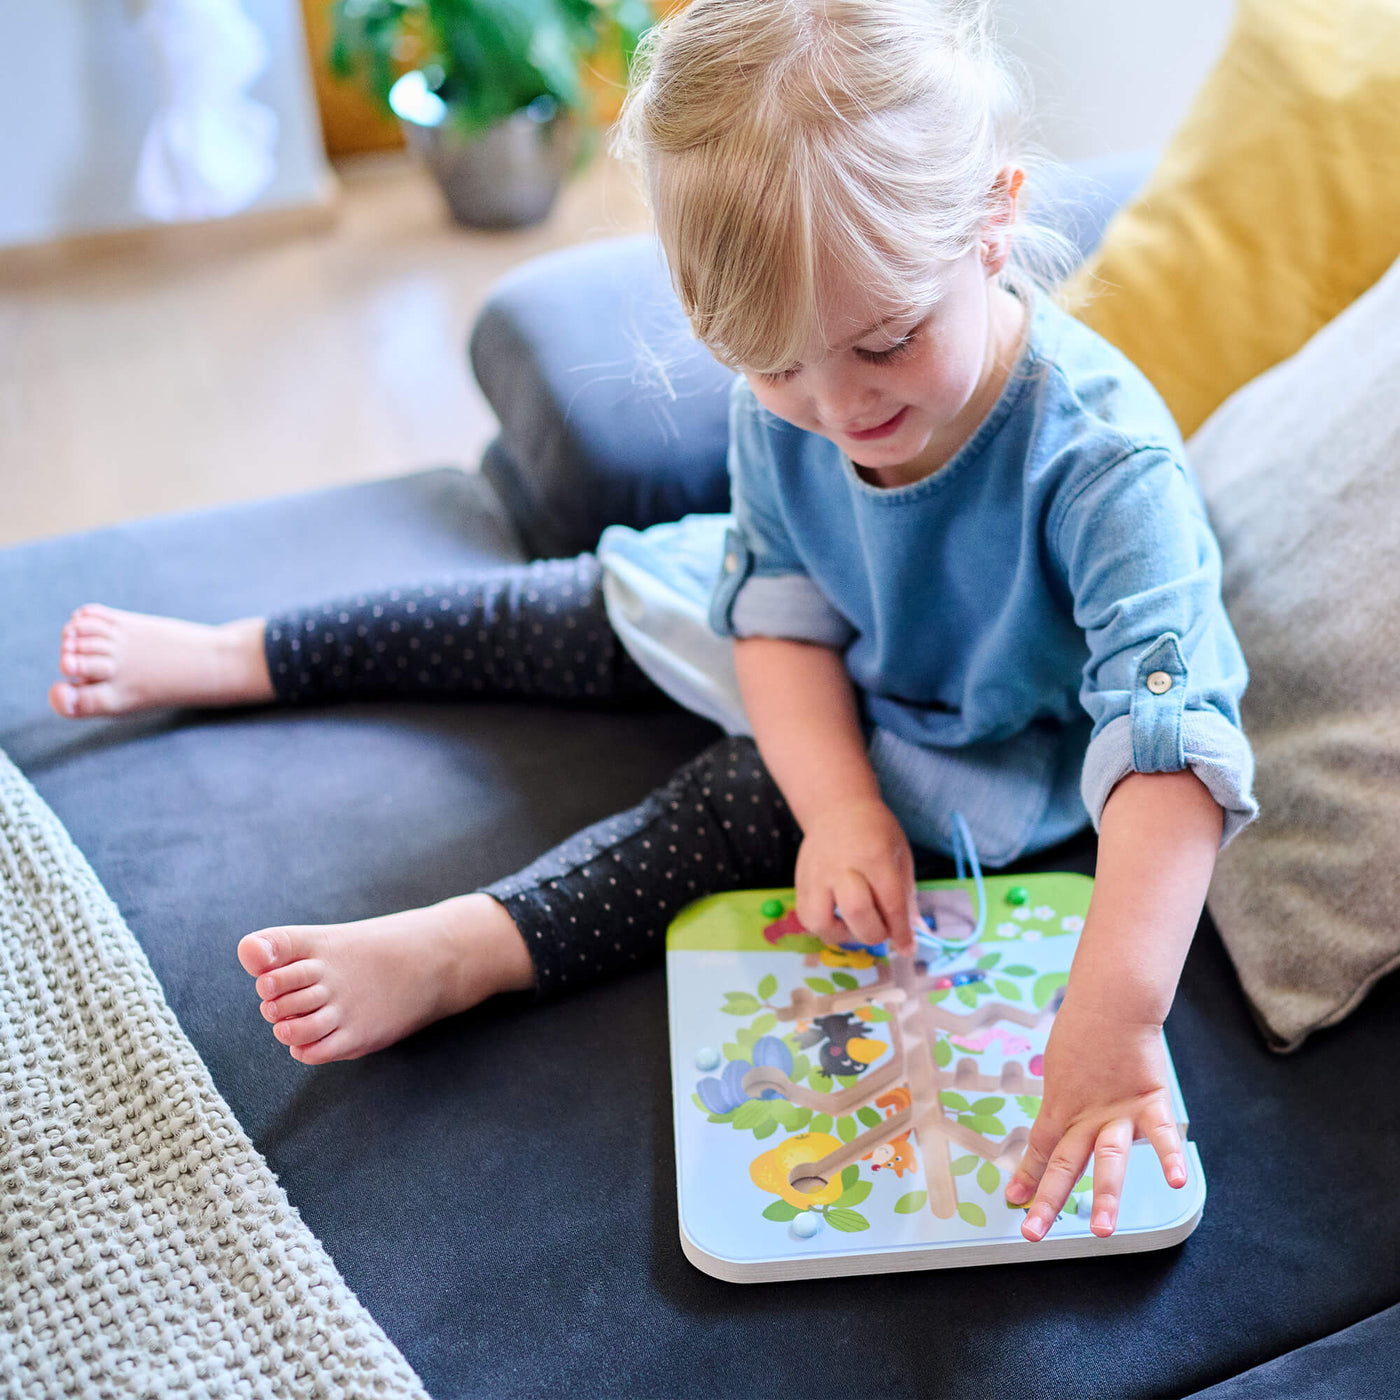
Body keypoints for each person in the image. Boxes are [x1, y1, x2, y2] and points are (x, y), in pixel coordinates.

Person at [47, 0, 1255, 1244]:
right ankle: (245, 650)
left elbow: (1170, 752)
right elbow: (776, 615)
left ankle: (469, 946)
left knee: (735, 803)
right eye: (774, 365)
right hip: (826, 639)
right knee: (563, 607)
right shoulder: (789, 396)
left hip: (971, 735)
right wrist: (835, 805)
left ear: (994, 219)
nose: (838, 407)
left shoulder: (1106, 465)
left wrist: (1111, 1012)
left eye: (887, 339)